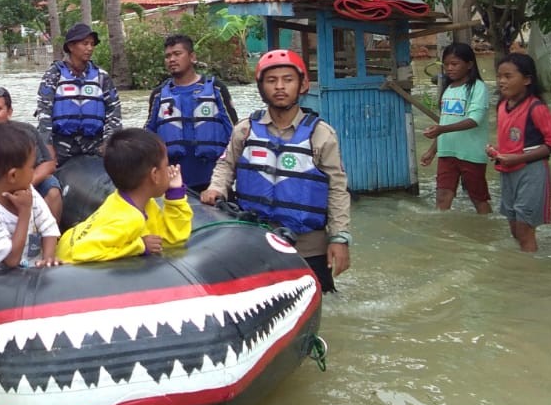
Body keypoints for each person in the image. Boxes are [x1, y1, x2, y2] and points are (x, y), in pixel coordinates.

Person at [201, 49, 351, 294]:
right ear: (261, 87)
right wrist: (216, 187)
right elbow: (226, 165)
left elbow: (337, 189)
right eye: (272, 81)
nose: (280, 87)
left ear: (303, 85)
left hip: (308, 246)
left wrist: (339, 238)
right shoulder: (245, 130)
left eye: (288, 80)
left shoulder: (321, 134)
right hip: (254, 240)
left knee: (324, 304)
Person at [57, 129, 190, 263]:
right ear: (154, 175)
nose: (169, 170)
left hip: (68, 242)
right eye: (166, 165)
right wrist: (140, 246)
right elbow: (80, 251)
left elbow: (170, 239)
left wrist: (175, 195)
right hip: (69, 263)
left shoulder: (131, 202)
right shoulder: (129, 220)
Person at [485, 53, 551, 253]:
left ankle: (531, 274)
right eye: (499, 76)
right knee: (514, 227)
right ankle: (525, 267)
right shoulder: (502, 105)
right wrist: (495, 151)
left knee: (524, 230)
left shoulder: (536, 107)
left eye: (508, 76)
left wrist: (518, 158)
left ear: (527, 80)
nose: (502, 81)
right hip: (507, 171)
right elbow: (510, 138)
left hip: (531, 172)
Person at [145, 34, 238, 193]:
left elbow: (235, 133)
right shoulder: (159, 95)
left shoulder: (216, 89)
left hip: (213, 180)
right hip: (174, 180)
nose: (172, 59)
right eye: (168, 56)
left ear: (192, 57)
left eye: (177, 54)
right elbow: (148, 136)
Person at [0, 121, 61, 269]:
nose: (34, 172)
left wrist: (48, 259)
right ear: (13, 176)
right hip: (3, 280)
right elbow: (11, 260)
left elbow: (48, 226)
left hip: (34, 274)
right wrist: (24, 212)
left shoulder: (28, 190)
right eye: (32, 167)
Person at [0, 85, 64, 221]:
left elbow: (48, 164)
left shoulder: (27, 132)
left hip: (27, 184)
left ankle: (50, 236)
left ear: (9, 112)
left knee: (52, 188)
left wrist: (26, 185)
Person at [35, 22, 122, 166]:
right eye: (85, 43)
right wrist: (47, 145)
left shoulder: (102, 77)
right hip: (61, 145)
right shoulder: (54, 74)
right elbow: (44, 112)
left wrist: (108, 142)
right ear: (71, 47)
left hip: (94, 145)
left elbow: (114, 112)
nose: (89, 48)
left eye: (92, 44)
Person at [419, 42, 491, 213]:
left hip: (471, 154)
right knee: (442, 197)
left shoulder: (478, 88)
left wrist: (441, 129)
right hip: (446, 153)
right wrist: (432, 150)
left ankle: (488, 234)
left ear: (469, 64)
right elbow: (444, 122)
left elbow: (475, 120)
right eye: (446, 65)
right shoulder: (448, 89)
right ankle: (442, 236)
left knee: (478, 199)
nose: (449, 69)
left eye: (454, 64)